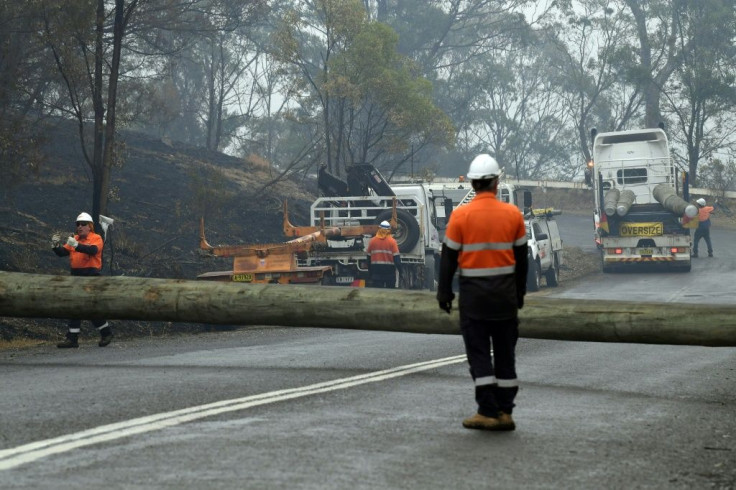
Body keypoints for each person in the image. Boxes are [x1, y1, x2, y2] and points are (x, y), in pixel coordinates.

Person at [437, 154, 528, 431]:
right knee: (505, 355)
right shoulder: (513, 215)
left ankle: (487, 411)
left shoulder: (460, 216)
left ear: (473, 184)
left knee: (479, 354)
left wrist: (444, 294)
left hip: (475, 301)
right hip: (505, 299)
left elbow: (448, 259)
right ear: (496, 182)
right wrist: (520, 294)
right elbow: (522, 261)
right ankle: (505, 411)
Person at [52, 212, 113, 348]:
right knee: (75, 307)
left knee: (89, 308)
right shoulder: (75, 239)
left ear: (90, 226)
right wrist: (55, 246)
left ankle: (105, 333)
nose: (80, 226)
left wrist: (76, 245)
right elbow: (63, 253)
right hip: (76, 277)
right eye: (78, 224)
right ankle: (73, 338)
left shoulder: (96, 238)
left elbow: (92, 251)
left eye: (83, 224)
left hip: (91, 277)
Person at [366, 220, 401, 288]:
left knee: (377, 295)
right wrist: (401, 272)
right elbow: (397, 260)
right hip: (389, 273)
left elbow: (368, 259)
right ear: (389, 230)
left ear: (379, 229)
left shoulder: (372, 241)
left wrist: (370, 272)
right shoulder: (392, 242)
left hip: (376, 273)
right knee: (390, 294)